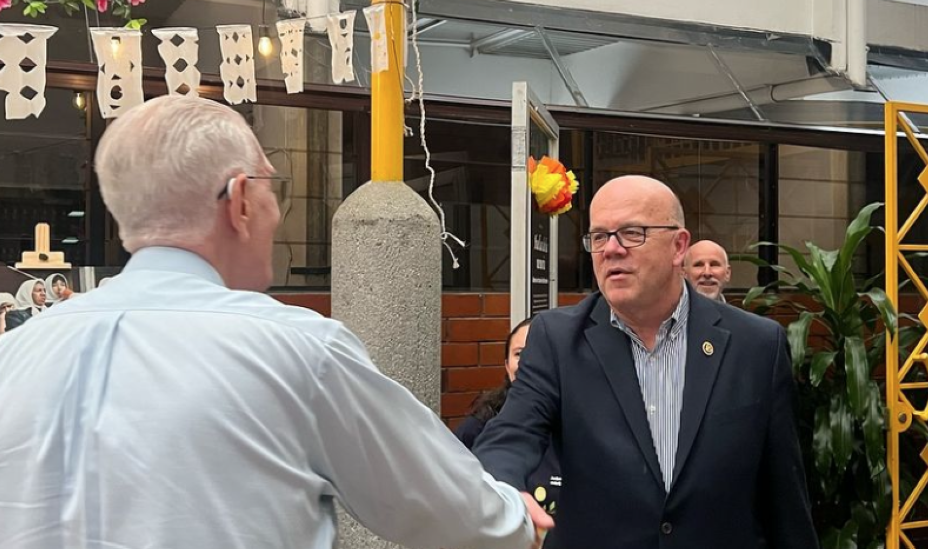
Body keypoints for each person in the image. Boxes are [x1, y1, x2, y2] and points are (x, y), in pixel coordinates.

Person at [0, 95, 549, 549]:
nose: (277, 211)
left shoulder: (17, 353)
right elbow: (443, 508)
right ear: (240, 201)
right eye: (272, 188)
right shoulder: (295, 350)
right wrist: (516, 518)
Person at [473, 175, 818, 549]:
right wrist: (502, 491)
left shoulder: (756, 345)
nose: (612, 250)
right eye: (600, 237)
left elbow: (784, 496)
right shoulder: (556, 339)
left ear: (678, 246)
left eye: (632, 233)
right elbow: (511, 433)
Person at [456, 317, 560, 517]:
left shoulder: (581, 422)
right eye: (520, 354)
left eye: (540, 355)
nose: (530, 363)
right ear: (506, 365)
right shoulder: (478, 426)